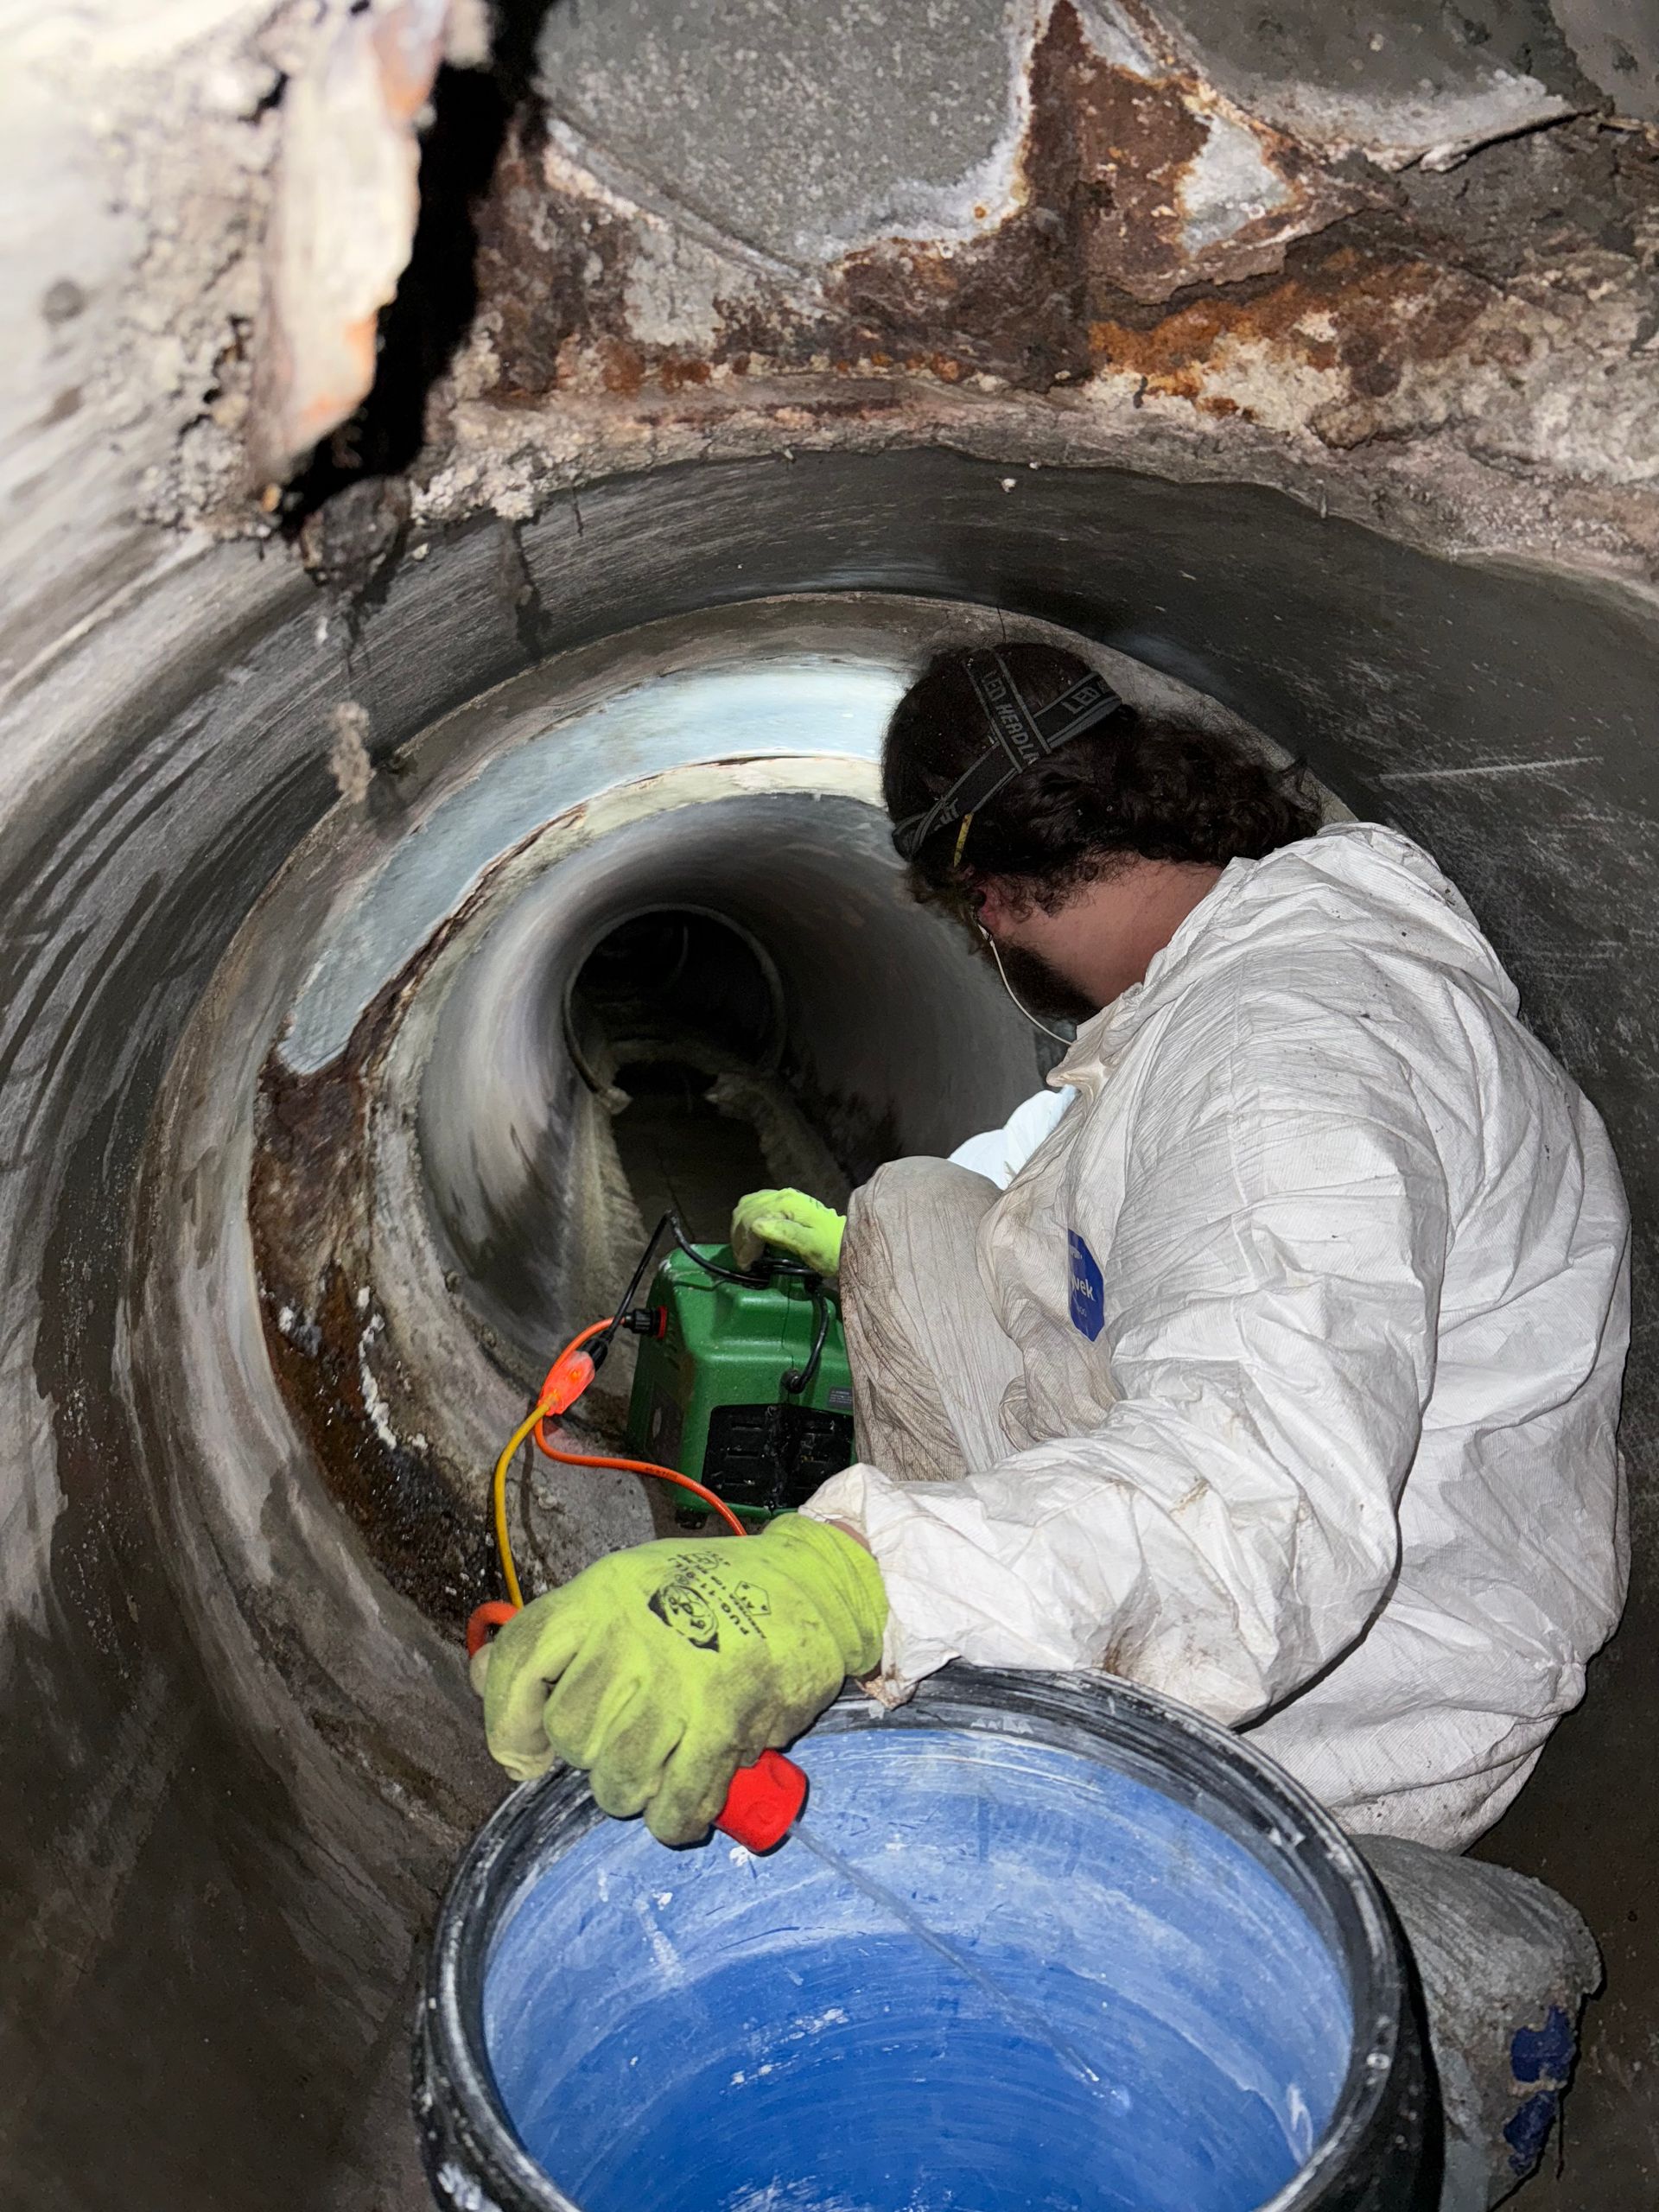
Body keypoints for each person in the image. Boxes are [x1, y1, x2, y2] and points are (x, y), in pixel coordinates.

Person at [476, 642, 1627, 2200]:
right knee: (913, 1211)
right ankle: (977, 1616)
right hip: (1267, 1494)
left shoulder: (1289, 1058)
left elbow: (1256, 1494)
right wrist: (879, 1251)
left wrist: (850, 1581)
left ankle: (965, 1677)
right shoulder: (1227, 966)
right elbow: (1112, 1187)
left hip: (1345, 1671)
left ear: (994, 907)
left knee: (910, 1632)